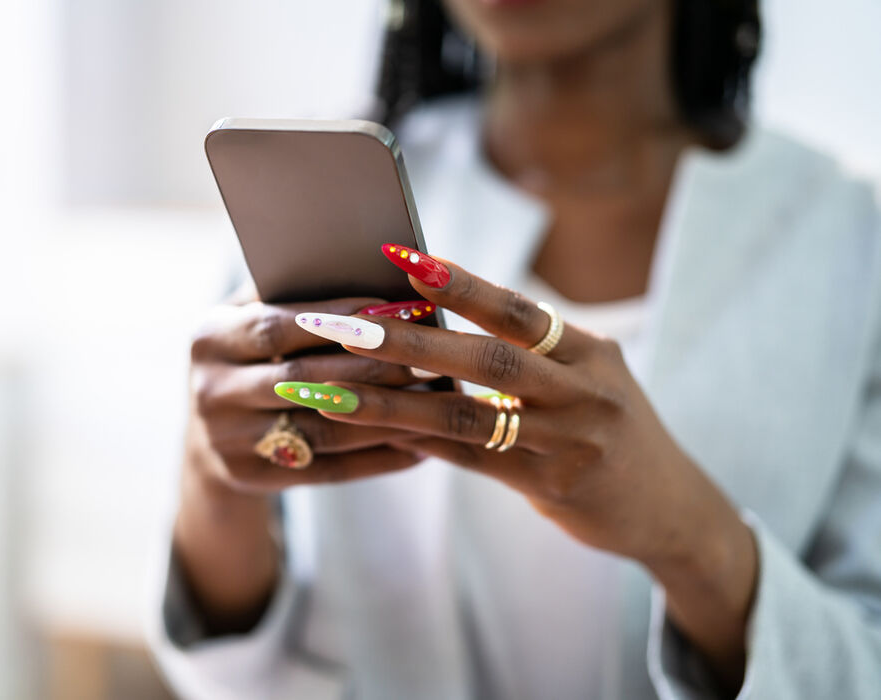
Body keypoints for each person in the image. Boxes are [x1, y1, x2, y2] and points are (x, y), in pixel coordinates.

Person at [150, 0, 881, 697]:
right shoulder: (316, 198)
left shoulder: (848, 239)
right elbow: (233, 680)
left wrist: (690, 536)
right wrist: (215, 485)